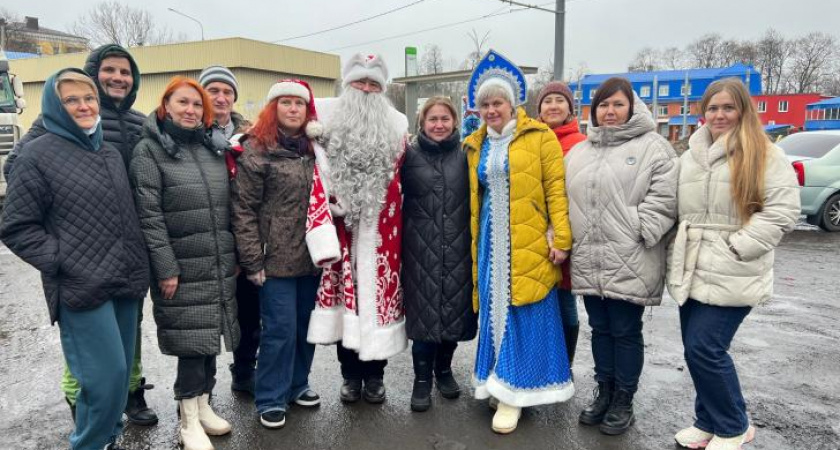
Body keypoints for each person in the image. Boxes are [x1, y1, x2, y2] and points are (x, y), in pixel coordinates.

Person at [4, 44, 158, 426]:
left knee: (129, 331)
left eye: (126, 72)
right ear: (94, 72)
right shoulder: (63, 119)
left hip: (128, 250)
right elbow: (18, 166)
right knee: (91, 349)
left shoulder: (139, 123)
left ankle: (130, 391)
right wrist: (63, 246)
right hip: (84, 250)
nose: (117, 78)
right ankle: (83, 403)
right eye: (109, 70)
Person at [668, 78, 800, 450]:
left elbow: (783, 210)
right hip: (691, 266)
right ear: (702, 112)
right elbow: (673, 207)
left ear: (743, 110)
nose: (719, 115)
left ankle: (733, 425)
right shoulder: (690, 154)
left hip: (734, 267)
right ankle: (707, 421)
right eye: (712, 108)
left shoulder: (764, 153)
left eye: (728, 107)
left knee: (705, 348)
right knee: (695, 349)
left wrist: (739, 247)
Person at [462, 50, 574, 434]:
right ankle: (496, 378)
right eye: (485, 104)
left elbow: (556, 190)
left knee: (523, 311)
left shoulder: (539, 136)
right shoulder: (475, 143)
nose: (492, 110)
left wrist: (560, 237)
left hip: (527, 237)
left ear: (513, 105)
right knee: (494, 311)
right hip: (491, 238)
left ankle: (514, 393)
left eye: (498, 103)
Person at [130, 76, 239, 450]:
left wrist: (233, 254)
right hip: (181, 266)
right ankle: (188, 420)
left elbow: (226, 208)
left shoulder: (213, 148)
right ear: (166, 105)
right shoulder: (149, 151)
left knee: (209, 339)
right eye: (183, 103)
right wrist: (166, 267)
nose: (191, 111)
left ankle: (204, 405)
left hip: (216, 260)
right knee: (191, 345)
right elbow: (149, 215)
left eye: (197, 105)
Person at [565, 77, 679, 436]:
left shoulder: (653, 147)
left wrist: (640, 228)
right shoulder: (580, 151)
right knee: (600, 329)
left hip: (632, 254)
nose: (610, 112)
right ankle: (605, 391)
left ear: (632, 106)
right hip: (589, 257)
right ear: (594, 111)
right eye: (603, 105)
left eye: (617, 104)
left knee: (626, 330)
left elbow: (665, 199)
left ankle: (623, 399)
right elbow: (566, 200)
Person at [306, 53, 409, 404]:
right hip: (342, 232)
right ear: (347, 84)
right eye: (360, 82)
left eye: (373, 84)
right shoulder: (325, 118)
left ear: (382, 89)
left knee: (378, 303)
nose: (366, 89)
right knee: (345, 305)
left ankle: (375, 377)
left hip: (383, 235)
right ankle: (350, 376)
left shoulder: (397, 125)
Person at [231, 79, 324, 429]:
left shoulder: (316, 148)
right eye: (285, 103)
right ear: (274, 108)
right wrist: (252, 260)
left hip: (313, 256)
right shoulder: (258, 149)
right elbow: (243, 209)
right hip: (274, 260)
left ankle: (298, 384)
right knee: (279, 330)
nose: (293, 109)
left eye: (299, 104)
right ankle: (270, 395)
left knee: (305, 327)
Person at [402, 96, 476, 412]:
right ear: (422, 123)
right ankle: (421, 379)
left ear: (455, 122)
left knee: (452, 310)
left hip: (459, 244)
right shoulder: (408, 154)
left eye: (445, 118)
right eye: (432, 119)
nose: (439, 125)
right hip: (419, 246)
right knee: (424, 314)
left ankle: (443, 370)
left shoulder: (466, 154)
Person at [198, 65, 259, 394]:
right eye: (213, 91)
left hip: (243, 235)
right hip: (205, 238)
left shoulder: (249, 137)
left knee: (249, 311)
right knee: (205, 314)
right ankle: (201, 385)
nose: (220, 98)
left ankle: (245, 368)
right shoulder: (191, 133)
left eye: (227, 92)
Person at [534, 80, 587, 370]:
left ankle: (564, 365)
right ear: (539, 108)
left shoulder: (580, 144)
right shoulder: (531, 138)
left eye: (559, 100)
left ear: (569, 108)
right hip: (535, 231)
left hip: (568, 231)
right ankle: (541, 362)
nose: (553, 106)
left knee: (565, 302)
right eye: (547, 101)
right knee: (539, 302)